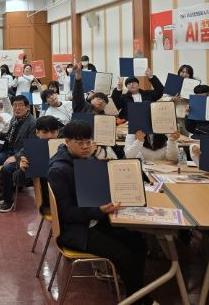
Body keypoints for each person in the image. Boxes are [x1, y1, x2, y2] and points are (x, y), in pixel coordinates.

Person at [48, 121, 153, 304]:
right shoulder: (59, 170)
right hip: (75, 230)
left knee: (139, 244)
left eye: (88, 142)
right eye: (80, 143)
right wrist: (100, 210)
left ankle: (135, 291)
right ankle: (139, 299)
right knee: (123, 254)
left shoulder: (83, 160)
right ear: (67, 142)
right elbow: (66, 214)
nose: (85, 146)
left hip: (93, 220)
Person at [0, 95, 36, 212]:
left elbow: (31, 146)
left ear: (27, 107)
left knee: (6, 168)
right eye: (15, 105)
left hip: (22, 156)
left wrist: (16, 157)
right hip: (9, 151)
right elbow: (9, 137)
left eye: (20, 105)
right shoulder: (14, 119)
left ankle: (8, 200)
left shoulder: (32, 123)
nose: (17, 108)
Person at [16, 115, 63, 209]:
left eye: (53, 132)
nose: (49, 136)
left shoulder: (65, 147)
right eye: (45, 132)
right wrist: (22, 170)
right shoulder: (30, 150)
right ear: (37, 132)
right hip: (48, 201)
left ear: (58, 132)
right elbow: (18, 181)